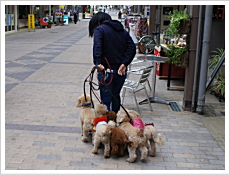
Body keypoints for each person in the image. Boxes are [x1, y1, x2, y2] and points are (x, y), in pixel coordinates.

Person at [88, 12, 136, 113]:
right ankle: (116, 122)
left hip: (106, 72)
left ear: (98, 22)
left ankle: (107, 125)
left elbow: (97, 46)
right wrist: (124, 63)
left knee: (105, 101)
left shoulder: (100, 29)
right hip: (120, 72)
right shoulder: (122, 30)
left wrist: (97, 62)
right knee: (115, 96)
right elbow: (132, 47)